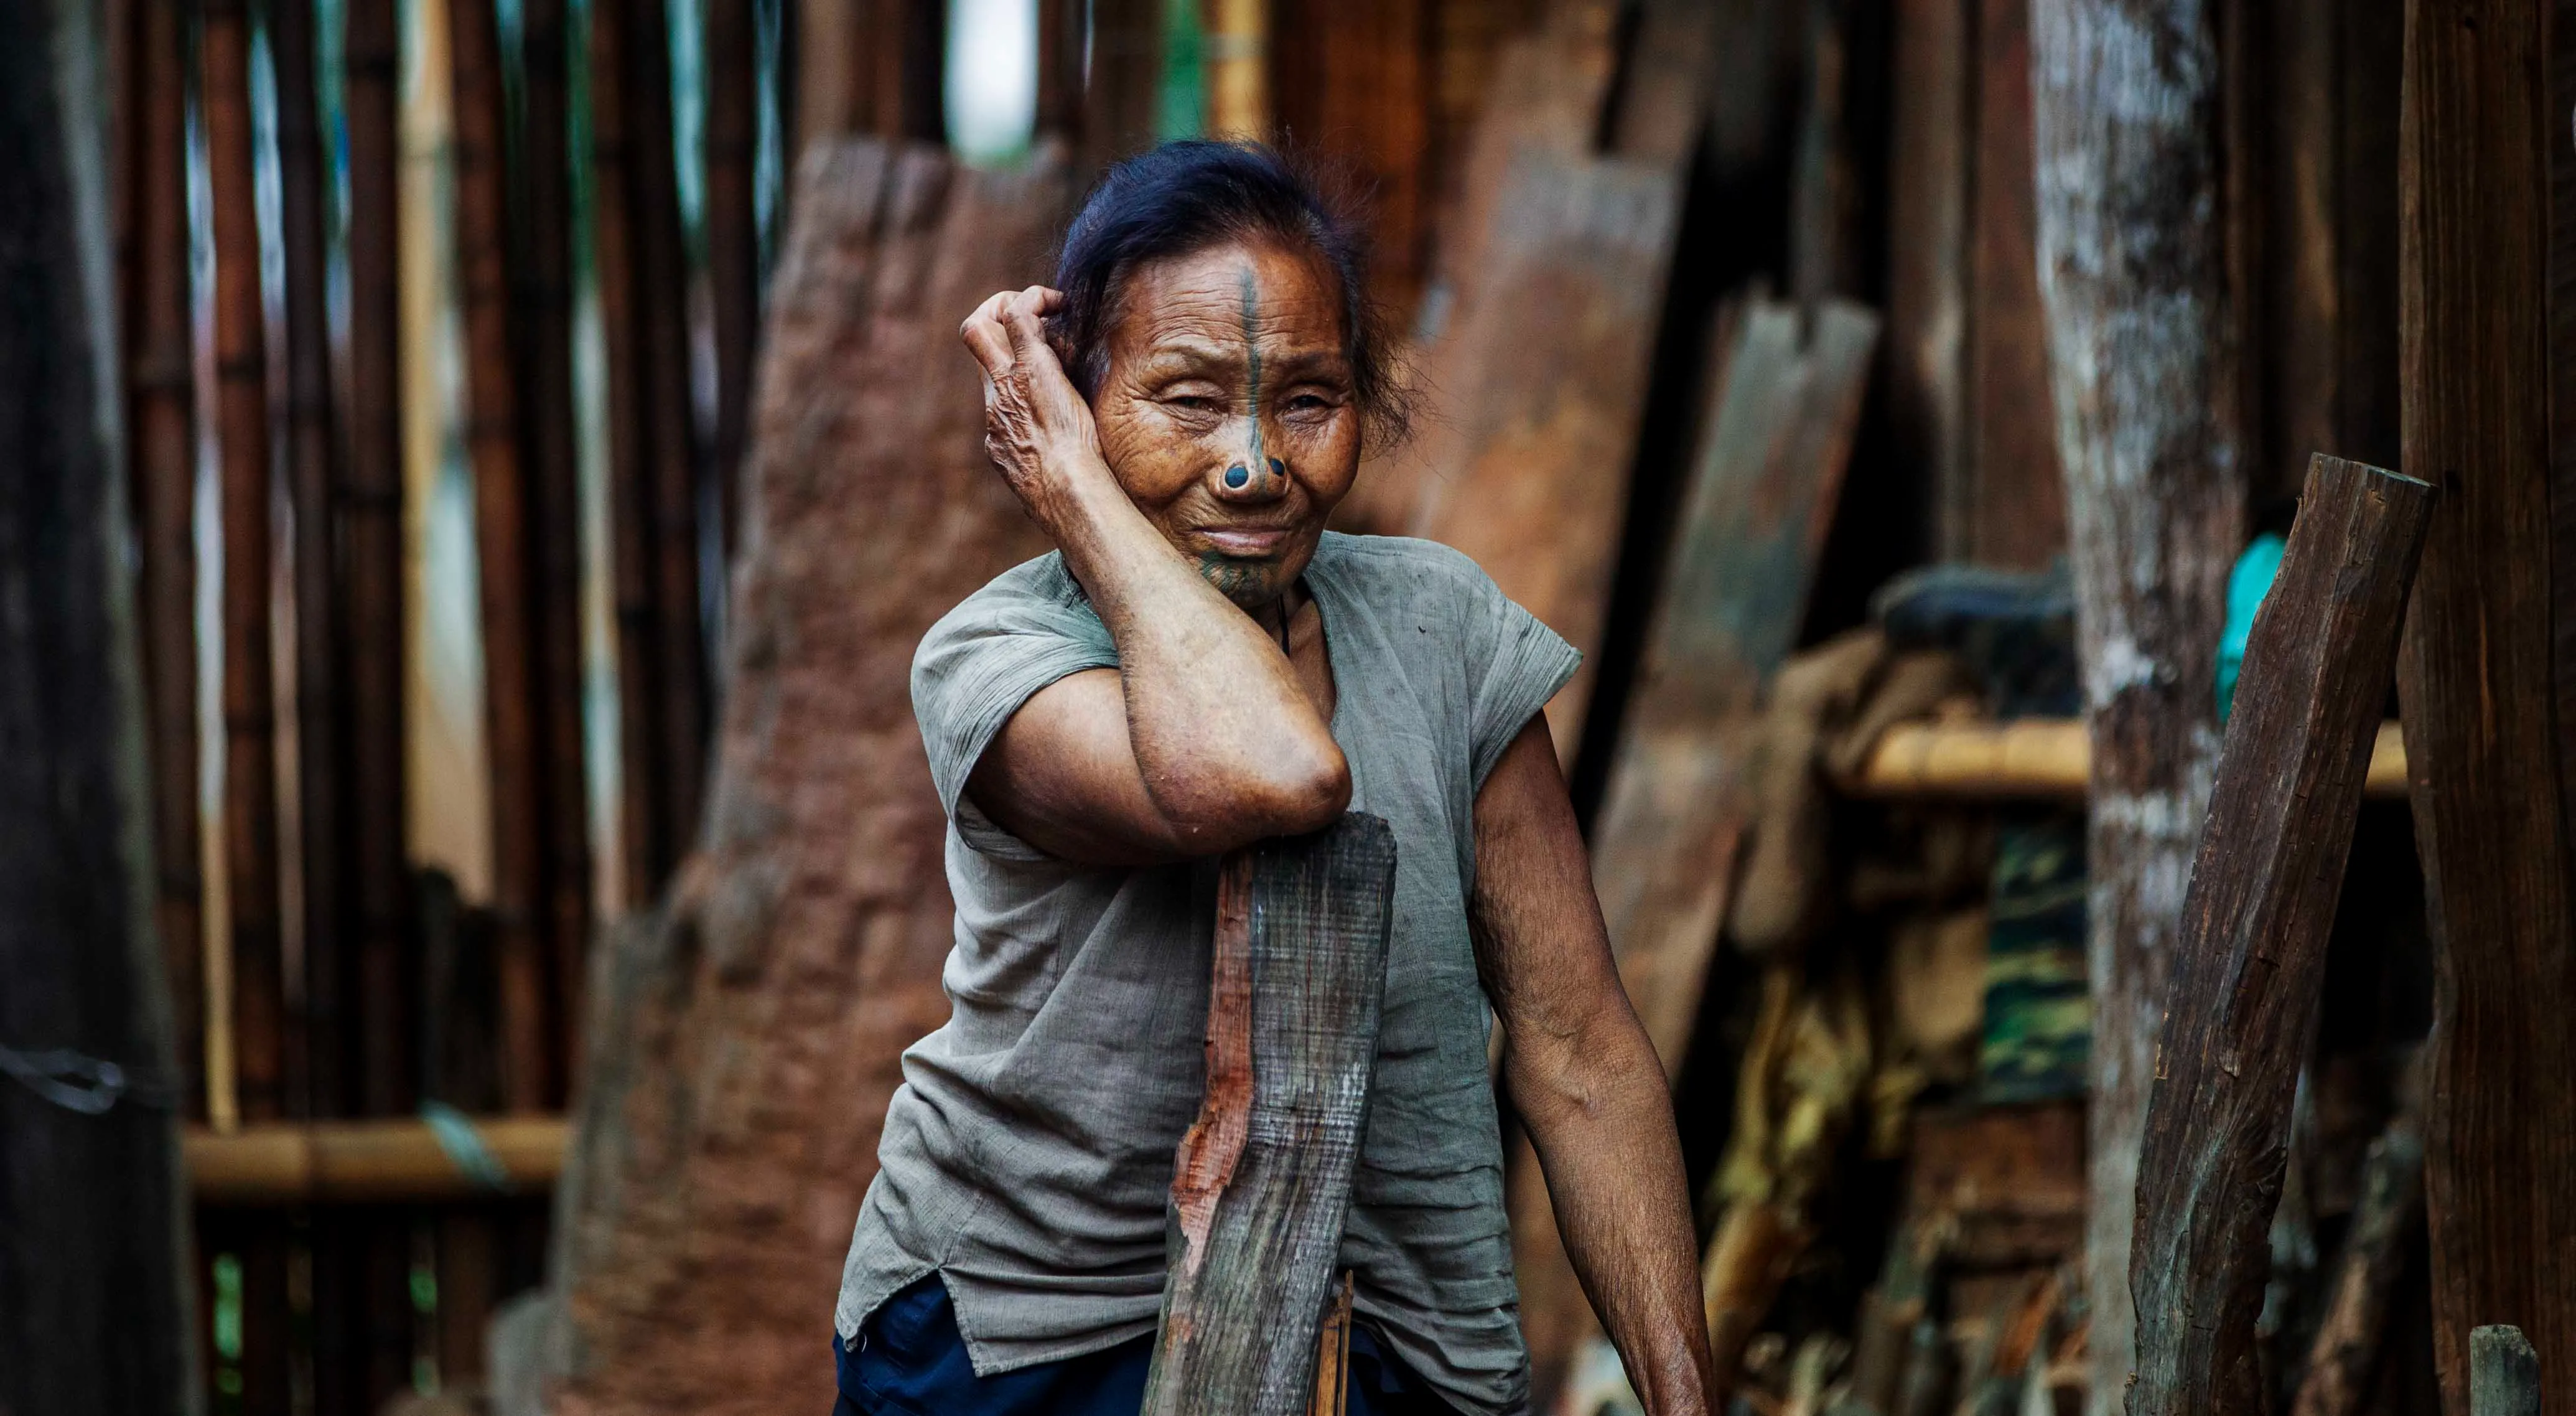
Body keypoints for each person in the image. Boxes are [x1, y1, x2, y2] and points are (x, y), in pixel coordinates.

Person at [831, 140, 1714, 1416]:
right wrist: (1078, 493)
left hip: (1394, 1337)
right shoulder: (997, 657)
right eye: (1187, 404)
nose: (1253, 467)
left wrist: (1687, 1400)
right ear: (1078, 406)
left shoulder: (1442, 632)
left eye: (1307, 401)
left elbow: (1581, 1052)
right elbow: (1272, 771)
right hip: (1039, 1343)